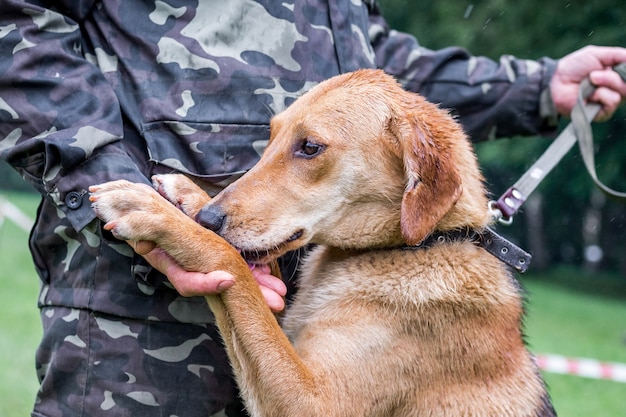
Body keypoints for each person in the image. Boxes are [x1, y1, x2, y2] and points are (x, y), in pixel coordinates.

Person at [1, 1, 625, 416]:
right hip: (136, 325)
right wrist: (113, 185)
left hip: (288, 293)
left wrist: (535, 89)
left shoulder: (438, 296)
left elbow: (378, 75)